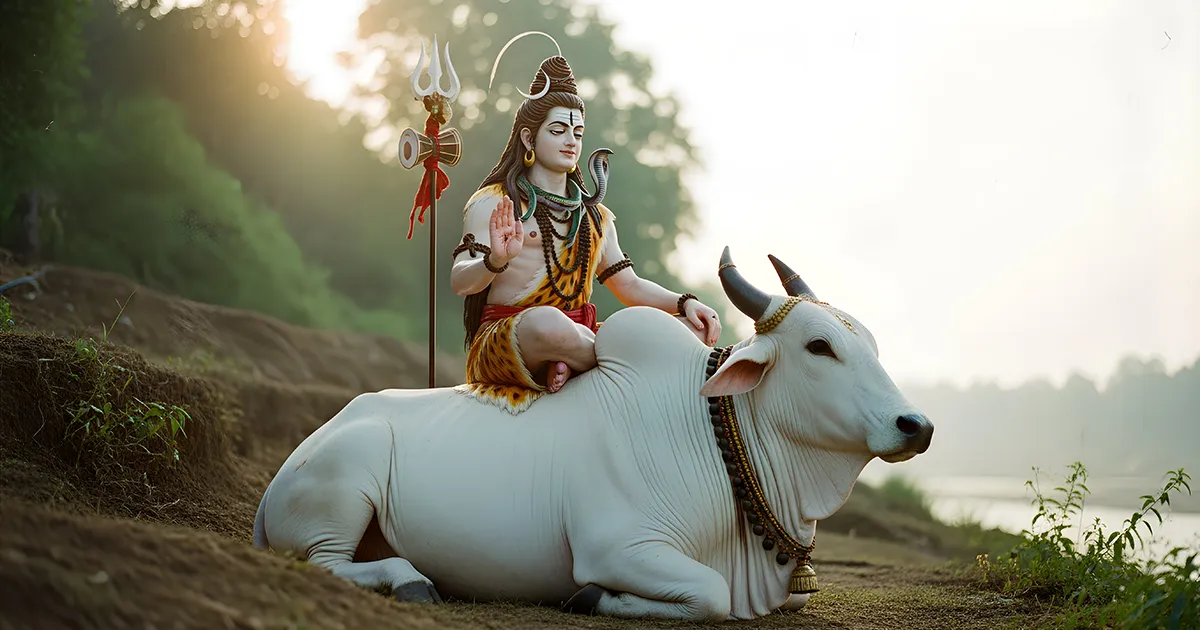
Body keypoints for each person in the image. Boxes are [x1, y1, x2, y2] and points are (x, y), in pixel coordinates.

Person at [450, 53, 721, 410]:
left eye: (577, 133)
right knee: (548, 323)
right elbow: (460, 282)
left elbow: (629, 285)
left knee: (687, 329)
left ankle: (576, 362)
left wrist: (685, 303)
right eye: (558, 131)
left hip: (582, 336)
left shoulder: (595, 216)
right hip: (511, 340)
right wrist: (495, 261)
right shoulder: (495, 202)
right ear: (529, 138)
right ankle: (612, 365)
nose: (571, 142)